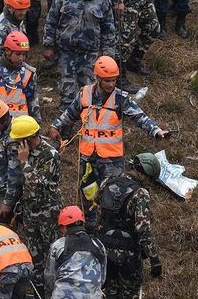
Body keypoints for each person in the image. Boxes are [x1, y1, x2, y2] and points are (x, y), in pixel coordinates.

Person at [48, 56, 168, 214]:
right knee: (87, 194)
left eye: (114, 80)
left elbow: (140, 117)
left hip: (112, 160)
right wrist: (55, 126)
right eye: (107, 80)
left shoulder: (120, 98)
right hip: (87, 157)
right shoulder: (84, 94)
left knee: (113, 197)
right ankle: (89, 227)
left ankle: (109, 228)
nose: (111, 84)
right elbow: (70, 113)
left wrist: (156, 131)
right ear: (98, 78)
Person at [97, 153, 162, 299]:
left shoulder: (106, 183)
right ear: (143, 173)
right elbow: (143, 229)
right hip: (129, 253)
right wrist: (154, 258)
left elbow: (99, 214)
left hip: (106, 248)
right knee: (131, 295)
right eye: (149, 178)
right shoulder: (140, 194)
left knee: (111, 291)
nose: (149, 183)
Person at [43, 0, 117, 118]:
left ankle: (90, 127)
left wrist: (108, 54)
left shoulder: (104, 1)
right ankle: (64, 131)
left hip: (90, 55)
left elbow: (109, 29)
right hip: (66, 53)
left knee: (91, 93)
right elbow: (51, 21)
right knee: (67, 93)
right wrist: (48, 45)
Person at [14, 111, 60, 295]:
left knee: (52, 253)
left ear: (30, 137)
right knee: (34, 254)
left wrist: (24, 163)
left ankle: (56, 292)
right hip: (30, 211)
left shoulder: (50, 155)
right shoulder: (25, 152)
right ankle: (38, 293)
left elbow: (38, 185)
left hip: (48, 212)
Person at [0, 31, 40, 121]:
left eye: (24, 54)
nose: (21, 58)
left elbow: (34, 104)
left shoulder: (29, 73)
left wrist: (36, 127)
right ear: (7, 51)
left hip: (21, 126)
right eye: (18, 54)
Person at [0, 99, 23, 223]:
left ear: (2, 121)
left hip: (6, 196)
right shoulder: (4, 133)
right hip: (0, 192)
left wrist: (7, 203)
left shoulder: (13, 141)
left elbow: (15, 175)